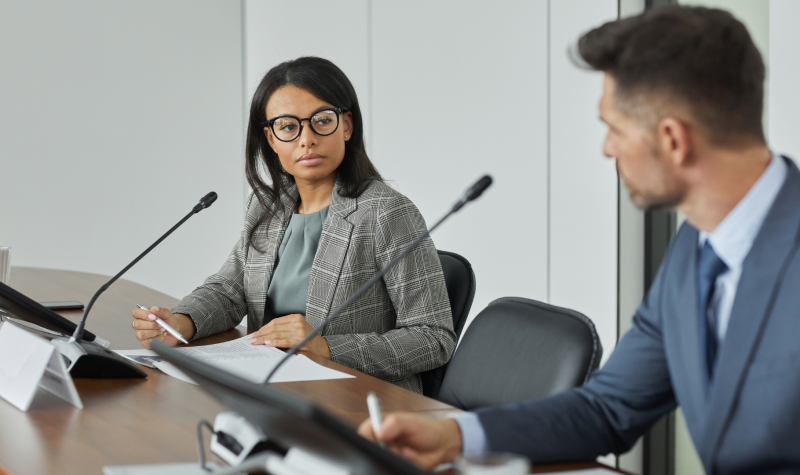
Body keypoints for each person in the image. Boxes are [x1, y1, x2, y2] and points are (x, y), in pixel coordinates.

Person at [359, 6, 800, 473]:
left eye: (614, 128)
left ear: (673, 140)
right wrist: (456, 434)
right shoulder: (696, 249)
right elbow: (609, 408)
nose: (606, 148)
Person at [131, 57, 456, 393]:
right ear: (271, 139)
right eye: (288, 127)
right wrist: (181, 322)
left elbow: (433, 337)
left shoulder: (386, 212)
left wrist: (326, 348)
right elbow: (230, 291)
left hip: (359, 400)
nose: (306, 139)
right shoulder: (267, 206)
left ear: (346, 125)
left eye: (321, 121)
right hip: (274, 391)